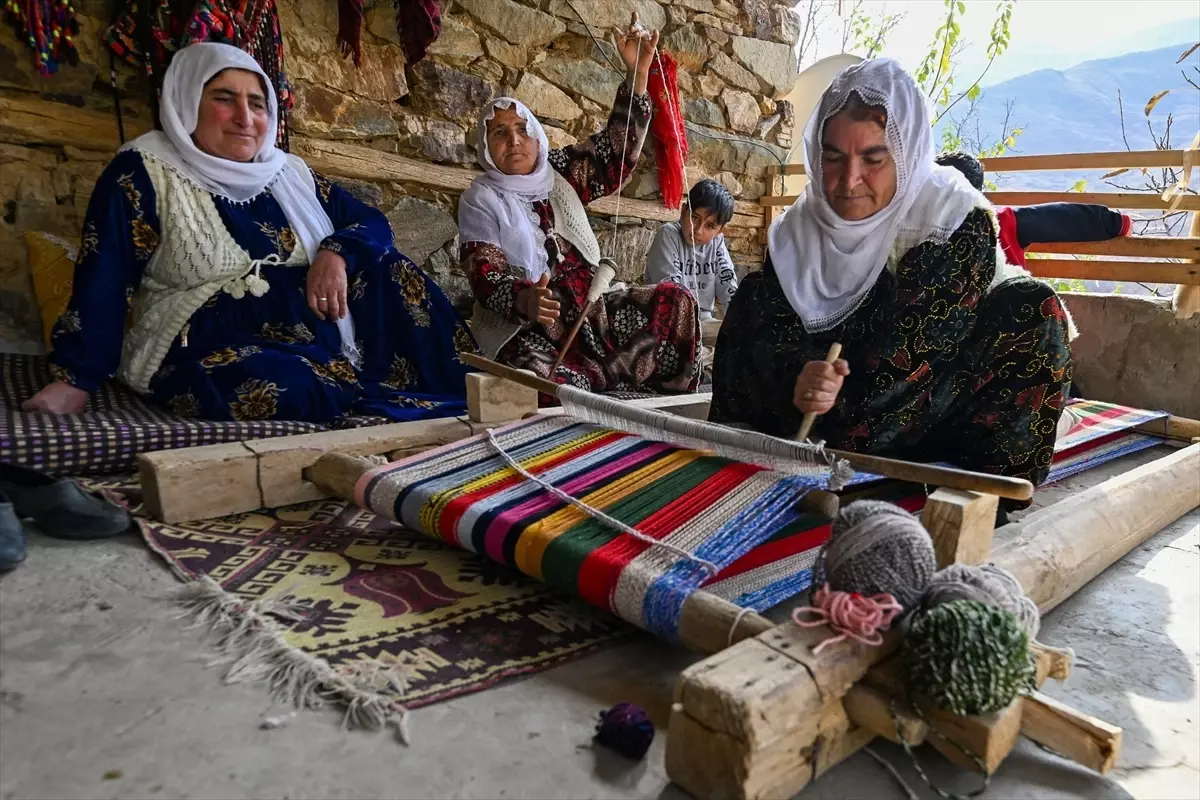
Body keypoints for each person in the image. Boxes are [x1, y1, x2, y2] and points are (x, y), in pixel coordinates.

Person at [23, 42, 476, 423]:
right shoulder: (144, 172)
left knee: (389, 267)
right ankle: (368, 397)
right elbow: (105, 275)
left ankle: (468, 387)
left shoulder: (289, 173)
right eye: (223, 98)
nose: (245, 117)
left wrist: (335, 253)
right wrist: (76, 380)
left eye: (257, 103)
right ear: (186, 103)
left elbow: (372, 222)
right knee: (283, 384)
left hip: (321, 336)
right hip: (209, 343)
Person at [709, 59, 1073, 509]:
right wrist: (797, 376)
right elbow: (768, 333)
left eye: (874, 159)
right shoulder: (798, 231)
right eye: (833, 156)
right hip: (829, 408)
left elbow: (905, 365)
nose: (848, 180)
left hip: (927, 406)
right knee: (752, 296)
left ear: (907, 152)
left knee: (1033, 308)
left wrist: (832, 401)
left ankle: (969, 496)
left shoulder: (951, 220)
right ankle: (763, 462)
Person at [457, 13, 701, 394]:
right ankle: (600, 398)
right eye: (500, 133)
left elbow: (615, 153)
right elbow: (484, 272)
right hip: (537, 327)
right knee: (531, 377)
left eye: (523, 130)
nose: (515, 141)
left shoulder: (560, 173)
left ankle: (661, 407)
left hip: (596, 311)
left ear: (538, 139)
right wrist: (525, 299)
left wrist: (638, 76)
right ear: (486, 147)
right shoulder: (481, 198)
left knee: (677, 301)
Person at [935, 150, 1133, 268]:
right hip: (1000, 321)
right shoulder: (999, 221)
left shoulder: (911, 221)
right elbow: (1062, 218)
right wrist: (1115, 223)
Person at [644, 178, 739, 322]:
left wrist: (738, 323)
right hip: (666, 322)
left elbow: (728, 284)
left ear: (720, 231)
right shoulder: (668, 235)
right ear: (683, 211)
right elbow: (670, 293)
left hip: (703, 321)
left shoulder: (716, 241)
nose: (698, 230)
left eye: (710, 226)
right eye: (694, 218)